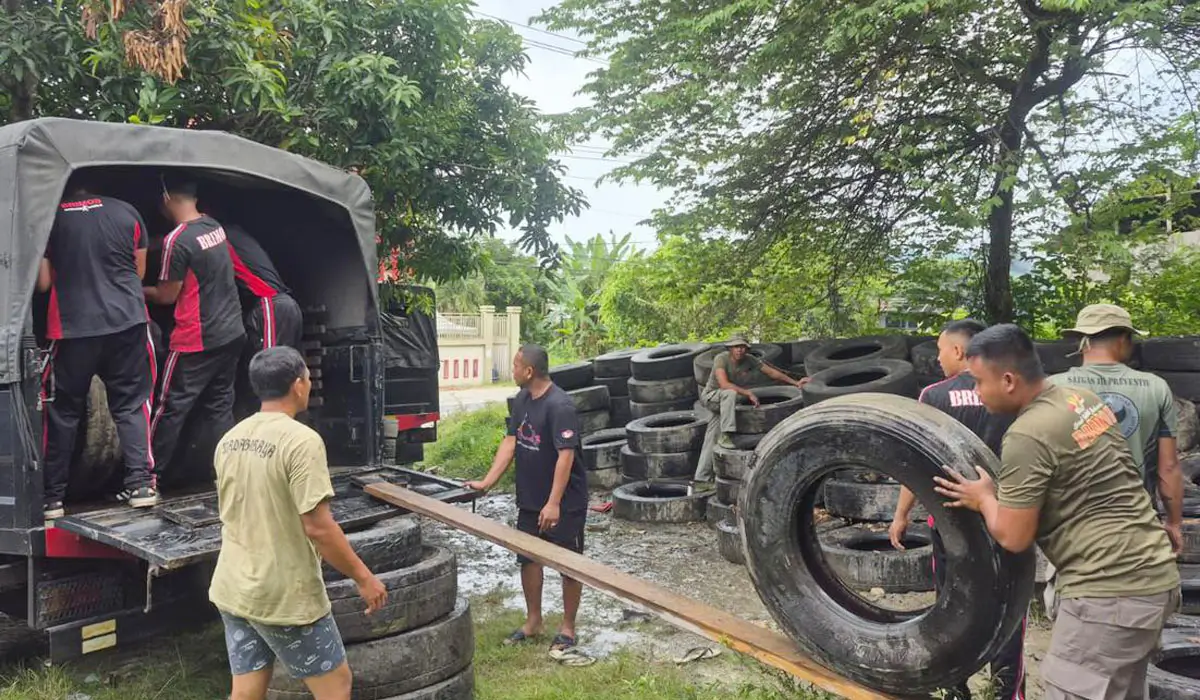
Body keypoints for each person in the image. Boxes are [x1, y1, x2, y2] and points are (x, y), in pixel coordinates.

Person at [934, 324, 1180, 700]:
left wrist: (984, 498)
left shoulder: (1027, 434)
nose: (977, 392)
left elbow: (1014, 537)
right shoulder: (1080, 400)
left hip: (1107, 596)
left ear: (1010, 380)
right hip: (1154, 578)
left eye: (980, 382)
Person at [210, 346, 386, 700]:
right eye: (307, 377)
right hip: (283, 595)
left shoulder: (230, 440)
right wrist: (364, 578)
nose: (309, 383)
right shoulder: (301, 442)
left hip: (233, 587)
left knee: (245, 693)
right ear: (297, 385)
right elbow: (319, 528)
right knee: (336, 686)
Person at [888, 319, 1023, 700]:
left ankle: (953, 688)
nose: (938, 357)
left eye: (941, 349)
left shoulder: (933, 395)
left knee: (951, 607)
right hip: (1004, 515)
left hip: (948, 521)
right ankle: (1007, 692)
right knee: (1009, 608)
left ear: (960, 352)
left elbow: (912, 462)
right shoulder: (1011, 389)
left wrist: (901, 515)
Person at [465, 344, 592, 665]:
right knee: (529, 560)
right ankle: (533, 621)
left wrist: (554, 503)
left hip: (564, 502)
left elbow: (566, 456)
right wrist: (487, 481)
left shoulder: (560, 405)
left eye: (516, 364)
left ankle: (567, 628)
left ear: (530, 371)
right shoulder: (522, 400)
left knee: (567, 564)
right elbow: (511, 441)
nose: (512, 369)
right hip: (530, 499)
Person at [38, 179, 158, 517]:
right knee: (132, 404)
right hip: (128, 322)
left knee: (63, 412)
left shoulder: (49, 218)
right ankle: (141, 485)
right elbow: (139, 271)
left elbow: (44, 282)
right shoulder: (127, 212)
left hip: (72, 328)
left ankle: (52, 498)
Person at [1050, 303, 1183, 542]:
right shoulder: (1156, 387)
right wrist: (1173, 523)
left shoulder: (1053, 387)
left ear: (1082, 341)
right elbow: (1169, 468)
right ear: (1123, 339)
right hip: (1137, 525)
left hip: (1072, 528)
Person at [145, 174, 246, 485]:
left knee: (168, 407)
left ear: (165, 197)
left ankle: (148, 477)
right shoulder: (213, 227)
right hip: (231, 332)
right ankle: (225, 475)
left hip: (195, 340)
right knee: (219, 407)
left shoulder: (178, 241)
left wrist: (130, 289)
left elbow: (166, 295)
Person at [695, 335, 807, 482]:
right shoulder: (721, 359)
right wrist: (747, 393)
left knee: (711, 439)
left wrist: (796, 383)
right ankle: (728, 433)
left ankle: (701, 478)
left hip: (726, 403)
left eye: (742, 347)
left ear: (747, 349)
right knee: (730, 393)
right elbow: (724, 384)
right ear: (730, 348)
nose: (739, 350)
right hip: (711, 397)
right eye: (736, 347)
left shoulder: (750, 360)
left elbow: (772, 372)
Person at [224, 222, 304, 352]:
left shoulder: (220, 237)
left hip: (269, 303)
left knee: (270, 363)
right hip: (284, 305)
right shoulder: (238, 235)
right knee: (288, 365)